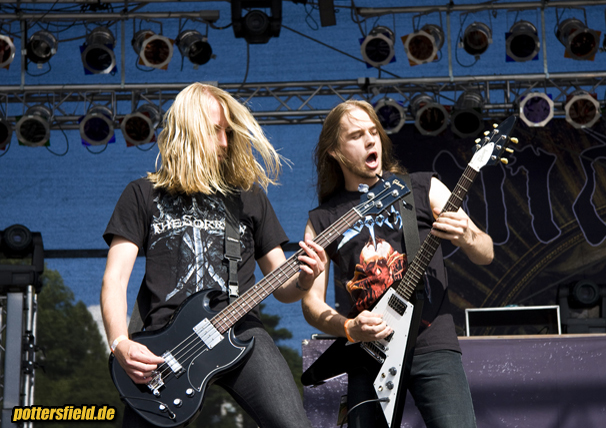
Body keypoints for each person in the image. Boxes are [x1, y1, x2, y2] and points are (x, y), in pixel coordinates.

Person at [101, 82, 326, 428]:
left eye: (228, 132)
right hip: (167, 345)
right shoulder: (142, 194)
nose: (224, 142)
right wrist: (120, 343)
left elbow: (283, 286)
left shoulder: (248, 197)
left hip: (240, 332)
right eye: (214, 130)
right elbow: (115, 279)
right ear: (188, 130)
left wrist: (305, 279)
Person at [301, 100, 494, 428]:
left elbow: (485, 252)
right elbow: (310, 304)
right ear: (334, 151)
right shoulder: (323, 219)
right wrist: (349, 327)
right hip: (369, 351)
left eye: (374, 132)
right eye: (357, 135)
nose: (370, 140)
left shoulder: (422, 187)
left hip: (431, 343)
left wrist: (466, 236)